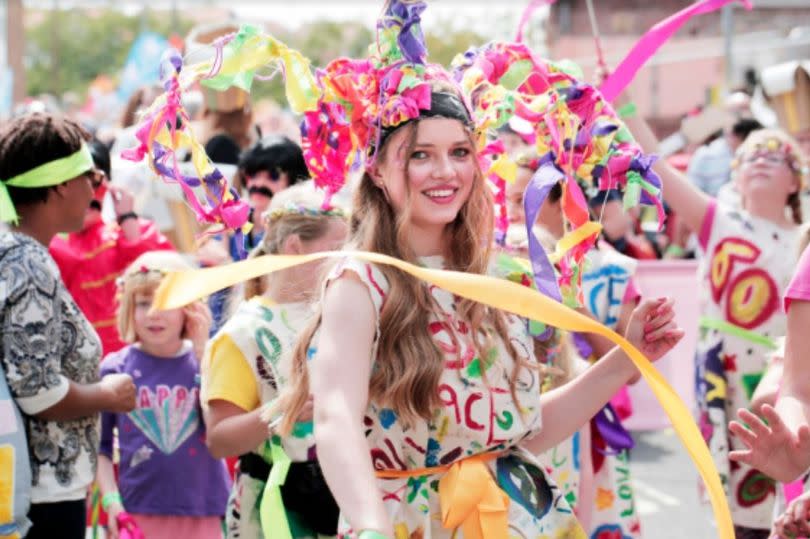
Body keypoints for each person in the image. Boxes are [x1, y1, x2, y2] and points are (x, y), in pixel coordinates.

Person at [272, 72, 682, 539]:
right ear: (378, 170)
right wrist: (370, 526)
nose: (445, 171)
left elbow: (518, 434)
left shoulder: (497, 277)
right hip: (412, 525)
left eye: (459, 152)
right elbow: (335, 415)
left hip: (521, 517)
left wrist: (627, 358)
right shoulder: (361, 281)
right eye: (420, 154)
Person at [625, 106, 806, 537]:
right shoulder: (719, 222)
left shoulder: (806, 238)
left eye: (775, 156)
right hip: (724, 381)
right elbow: (659, 166)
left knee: (788, 499)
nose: (761, 161)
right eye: (751, 156)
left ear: (796, 181)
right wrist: (629, 101)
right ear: (736, 175)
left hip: (789, 378)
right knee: (737, 505)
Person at [0, 113, 136, 539]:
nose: (96, 189)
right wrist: (107, 395)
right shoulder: (29, 262)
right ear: (60, 186)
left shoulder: (17, 253)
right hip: (41, 499)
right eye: (91, 176)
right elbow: (38, 392)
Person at [203, 183, 348, 538]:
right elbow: (220, 439)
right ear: (295, 247)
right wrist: (284, 409)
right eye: (336, 249)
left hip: (344, 494)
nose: (347, 261)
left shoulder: (344, 314)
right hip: (279, 506)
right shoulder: (245, 332)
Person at [96, 251, 230, 539]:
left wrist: (201, 354)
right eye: (144, 303)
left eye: (165, 303)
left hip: (203, 511)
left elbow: (217, 430)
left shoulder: (207, 362)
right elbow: (101, 449)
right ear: (128, 309)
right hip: (136, 512)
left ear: (190, 309)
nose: (154, 313)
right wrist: (111, 503)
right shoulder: (114, 369)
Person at [49, 139, 174, 355]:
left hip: (136, 362)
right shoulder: (53, 245)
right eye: (73, 182)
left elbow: (162, 278)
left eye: (93, 180)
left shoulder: (131, 233)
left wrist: (127, 219)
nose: (86, 193)